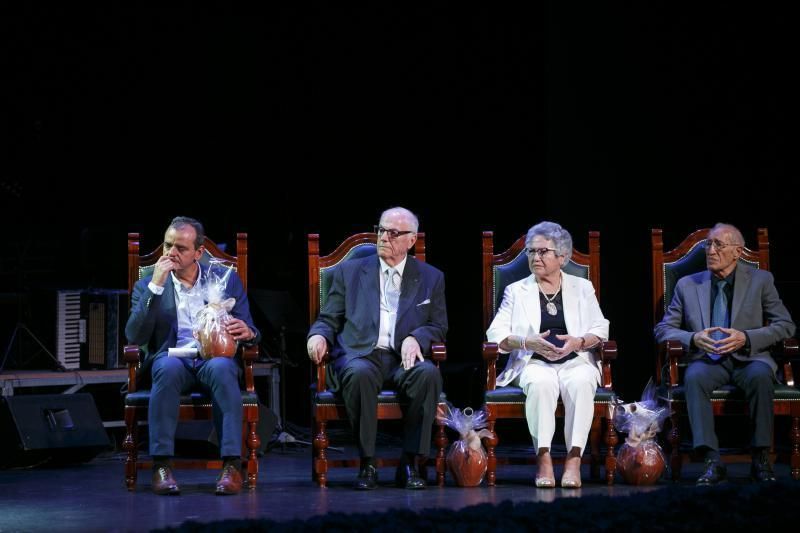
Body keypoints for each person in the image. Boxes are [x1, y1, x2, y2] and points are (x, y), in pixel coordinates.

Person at [307, 207, 447, 490]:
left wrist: (417, 338)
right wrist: (317, 336)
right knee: (358, 374)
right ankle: (367, 462)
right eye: (381, 230)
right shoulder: (350, 272)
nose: (384, 237)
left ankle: (410, 461)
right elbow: (328, 319)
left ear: (411, 240)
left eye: (393, 233)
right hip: (362, 353)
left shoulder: (431, 278)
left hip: (403, 357)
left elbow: (438, 326)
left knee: (428, 375)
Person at [125, 216, 260, 496]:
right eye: (167, 245)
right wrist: (156, 287)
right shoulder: (148, 286)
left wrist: (246, 331)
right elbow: (134, 336)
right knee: (167, 367)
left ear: (199, 252)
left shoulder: (224, 280)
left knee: (224, 369)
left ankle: (232, 466)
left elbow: (251, 328)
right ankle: (161, 466)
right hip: (173, 358)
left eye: (181, 248)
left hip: (212, 358)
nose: (171, 253)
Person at [654, 223, 795, 485]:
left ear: (737, 252)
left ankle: (761, 458)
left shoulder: (761, 281)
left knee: (761, 377)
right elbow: (663, 330)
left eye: (718, 244)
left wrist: (747, 337)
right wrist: (694, 338)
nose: (711, 250)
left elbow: (785, 325)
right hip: (708, 360)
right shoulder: (688, 285)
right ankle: (711, 460)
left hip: (750, 358)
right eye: (709, 244)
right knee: (694, 378)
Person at [486, 221, 609, 489]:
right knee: (541, 384)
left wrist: (578, 341)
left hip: (575, 359)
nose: (535, 257)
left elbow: (601, 328)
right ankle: (543, 458)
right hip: (533, 362)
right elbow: (495, 334)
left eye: (543, 251)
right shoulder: (516, 291)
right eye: (531, 251)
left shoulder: (582, 287)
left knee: (581, 382)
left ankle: (574, 460)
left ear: (562, 257)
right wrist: (526, 342)